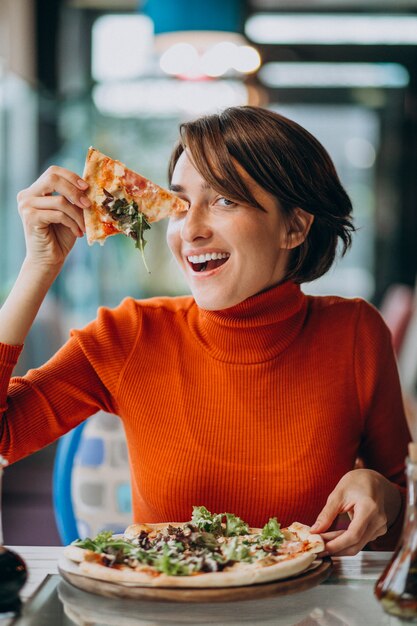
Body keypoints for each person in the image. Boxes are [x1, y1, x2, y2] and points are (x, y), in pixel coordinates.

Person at [0, 106, 411, 556]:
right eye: (179, 204)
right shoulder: (128, 333)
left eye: (223, 200)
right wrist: (38, 268)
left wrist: (384, 495)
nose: (190, 230)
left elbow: (398, 514)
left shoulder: (355, 333)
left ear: (293, 226)